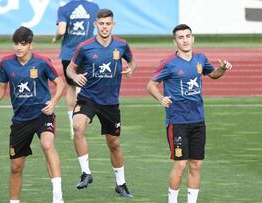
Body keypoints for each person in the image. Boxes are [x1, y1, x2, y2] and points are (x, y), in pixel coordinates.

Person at [146, 24, 233, 203]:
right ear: (175, 41)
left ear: (193, 38)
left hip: (198, 120)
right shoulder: (168, 63)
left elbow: (213, 74)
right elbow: (151, 85)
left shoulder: (201, 59)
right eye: (180, 37)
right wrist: (161, 98)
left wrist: (222, 68)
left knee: (196, 164)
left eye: (188, 36)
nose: (185, 40)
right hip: (177, 121)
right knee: (180, 164)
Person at [66, 8, 136, 198]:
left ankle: (120, 184)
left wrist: (130, 68)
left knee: (114, 144)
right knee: (78, 127)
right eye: (101, 24)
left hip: (110, 102)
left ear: (113, 25)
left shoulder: (121, 45)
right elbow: (70, 69)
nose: (104, 27)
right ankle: (86, 173)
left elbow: (132, 61)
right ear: (95, 25)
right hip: (88, 98)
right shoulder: (85, 47)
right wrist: (75, 76)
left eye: (108, 24)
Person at [0, 26, 65, 203]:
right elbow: (1, 88)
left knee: (47, 145)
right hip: (20, 120)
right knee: (16, 167)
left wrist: (53, 102)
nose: (19, 47)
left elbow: (60, 83)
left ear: (31, 45)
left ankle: (57, 196)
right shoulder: (6, 63)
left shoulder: (42, 62)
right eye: (16, 43)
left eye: (23, 44)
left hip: (42, 115)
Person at [52, 0, 99, 139]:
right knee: (83, 85)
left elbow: (61, 30)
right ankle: (81, 122)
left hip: (69, 54)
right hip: (88, 52)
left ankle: (74, 125)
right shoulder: (94, 7)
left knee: (72, 87)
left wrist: (55, 37)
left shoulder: (64, 8)